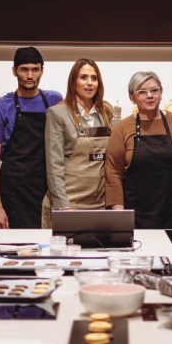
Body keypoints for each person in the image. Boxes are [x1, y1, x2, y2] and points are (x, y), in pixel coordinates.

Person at [0, 47, 63, 228]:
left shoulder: (54, 100)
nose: (30, 75)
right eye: (24, 69)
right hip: (14, 192)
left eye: (35, 69)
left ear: (42, 71)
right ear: (14, 71)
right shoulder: (1, 107)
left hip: (46, 188)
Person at [106, 71, 172, 229]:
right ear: (132, 97)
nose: (149, 95)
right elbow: (113, 173)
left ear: (161, 93)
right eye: (142, 92)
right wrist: (120, 214)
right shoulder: (122, 128)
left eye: (154, 90)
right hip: (136, 215)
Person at [42, 58, 113, 226]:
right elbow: (54, 165)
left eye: (94, 78)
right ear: (73, 82)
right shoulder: (57, 113)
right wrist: (63, 206)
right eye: (83, 77)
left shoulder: (106, 112)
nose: (90, 83)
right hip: (69, 203)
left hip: (99, 204)